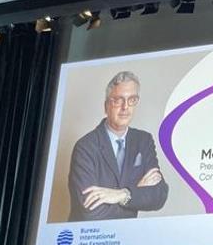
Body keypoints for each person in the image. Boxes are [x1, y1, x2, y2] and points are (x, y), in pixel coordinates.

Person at [68, 71, 168, 221]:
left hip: (126, 234)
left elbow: (159, 195)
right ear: (106, 106)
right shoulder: (85, 147)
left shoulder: (143, 140)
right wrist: (135, 193)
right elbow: (91, 212)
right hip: (90, 234)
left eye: (132, 99)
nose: (125, 107)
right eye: (118, 100)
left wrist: (123, 194)